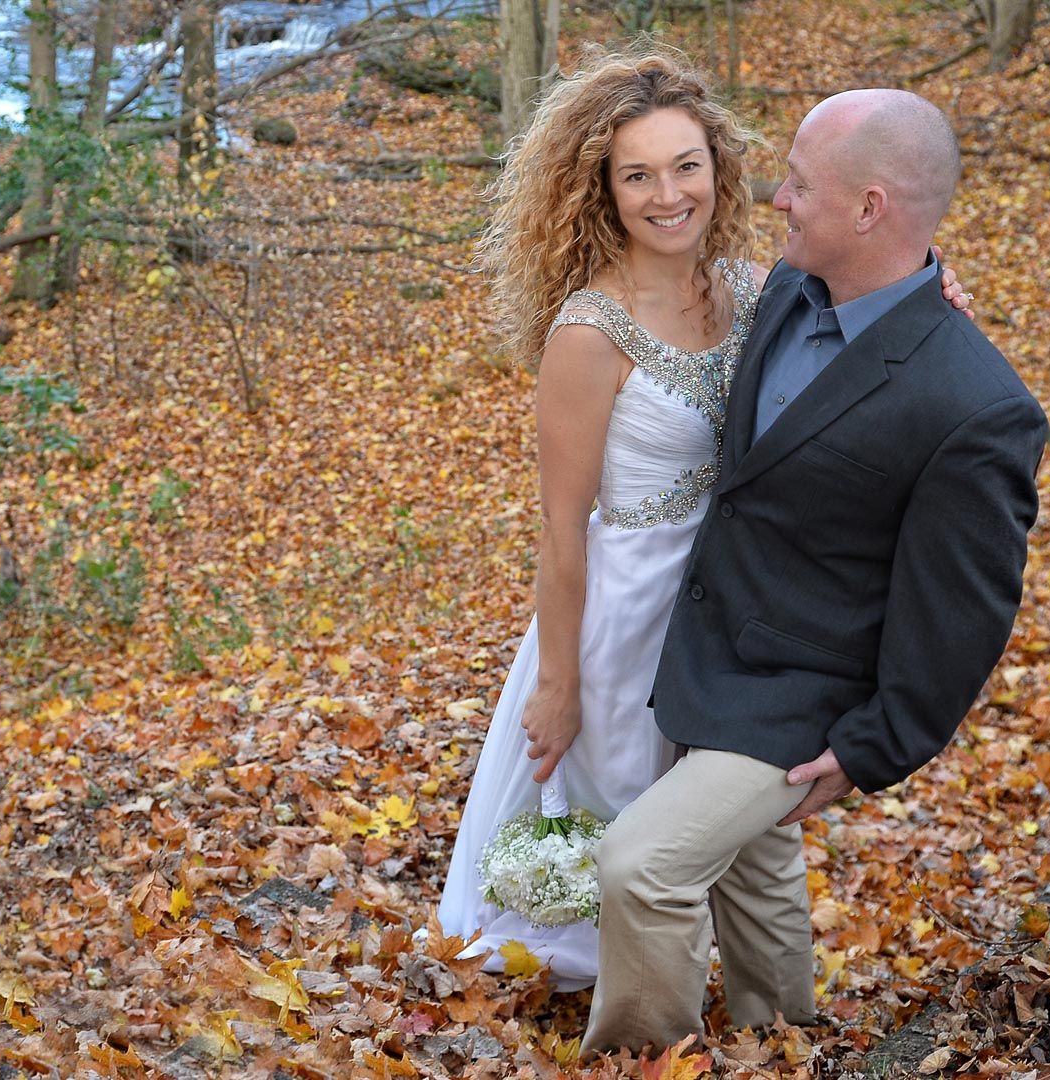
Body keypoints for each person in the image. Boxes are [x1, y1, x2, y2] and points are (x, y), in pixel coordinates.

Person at [435, 53, 972, 990]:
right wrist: (557, 681)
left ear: (719, 167)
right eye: (636, 174)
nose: (667, 193)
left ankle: (754, 1006)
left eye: (687, 165)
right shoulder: (588, 334)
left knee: (718, 816)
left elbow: (864, 332)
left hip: (737, 599)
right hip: (625, 610)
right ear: (601, 189)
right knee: (615, 805)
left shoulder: (758, 287)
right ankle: (594, 993)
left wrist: (939, 295)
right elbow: (562, 532)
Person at [580, 88, 1047, 1055]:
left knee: (638, 868)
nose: (779, 199)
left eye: (800, 183)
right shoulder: (786, 290)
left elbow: (966, 610)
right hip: (702, 640)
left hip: (804, 693)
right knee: (754, 869)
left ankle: (642, 1061)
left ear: (871, 208)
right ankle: (784, 1042)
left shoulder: (975, 407)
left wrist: (879, 742)